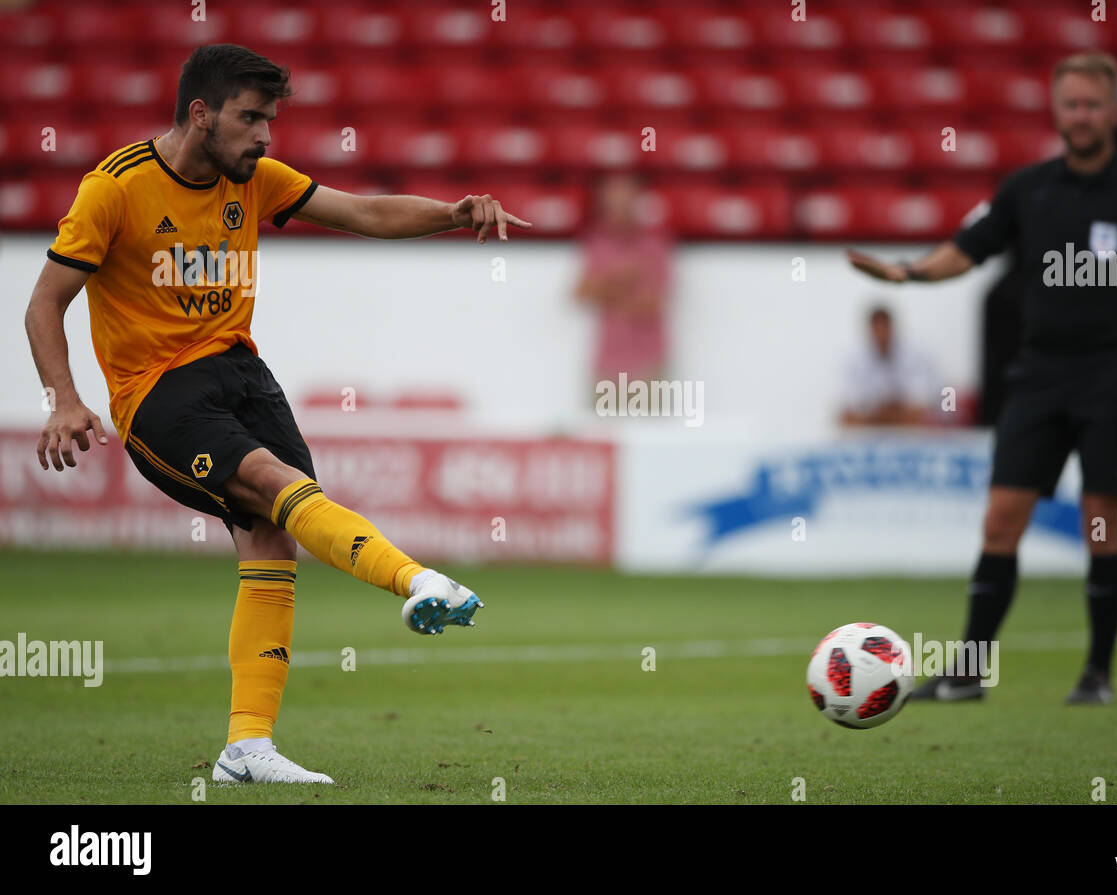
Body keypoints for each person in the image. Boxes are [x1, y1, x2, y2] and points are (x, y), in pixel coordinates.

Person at [24, 45, 532, 783]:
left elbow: (363, 211)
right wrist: (64, 399)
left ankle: (246, 749)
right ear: (201, 115)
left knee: (273, 537)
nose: (265, 136)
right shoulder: (115, 188)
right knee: (274, 485)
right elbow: (46, 301)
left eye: (270, 119)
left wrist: (451, 214)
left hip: (241, 374)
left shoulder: (253, 180)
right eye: (251, 118)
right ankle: (416, 579)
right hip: (157, 393)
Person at [847, 52, 1117, 704]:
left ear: (1116, 112)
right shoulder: (1027, 189)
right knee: (999, 520)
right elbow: (969, 248)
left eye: (1094, 104)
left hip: (1114, 376)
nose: (1082, 115)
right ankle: (968, 672)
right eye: (1071, 104)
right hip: (1039, 376)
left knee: (1101, 520)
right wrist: (908, 273)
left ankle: (1097, 675)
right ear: (1056, 111)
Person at [575, 172, 674, 388]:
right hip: (606, 362)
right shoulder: (597, 240)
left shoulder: (655, 242)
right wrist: (621, 278)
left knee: (649, 421)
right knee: (598, 422)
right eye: (613, 199)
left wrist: (604, 291)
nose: (620, 206)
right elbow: (580, 294)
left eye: (625, 198)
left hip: (647, 363)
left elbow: (651, 303)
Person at [839, 305, 938, 427]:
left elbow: (921, 405)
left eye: (884, 329)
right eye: (877, 330)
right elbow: (850, 408)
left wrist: (883, 412)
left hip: (904, 426)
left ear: (892, 329)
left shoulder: (915, 355)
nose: (881, 335)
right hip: (874, 425)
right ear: (870, 331)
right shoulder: (854, 359)